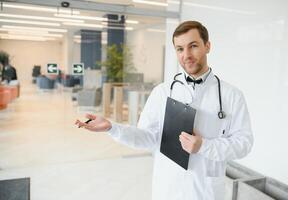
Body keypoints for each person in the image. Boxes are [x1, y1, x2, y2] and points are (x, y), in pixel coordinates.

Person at [75, 21, 253, 200]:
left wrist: (204, 146)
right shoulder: (162, 92)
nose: (187, 55)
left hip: (206, 192)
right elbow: (146, 137)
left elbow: (244, 143)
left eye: (193, 46)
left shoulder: (232, 96)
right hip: (168, 188)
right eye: (180, 49)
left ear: (207, 46)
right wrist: (112, 128)